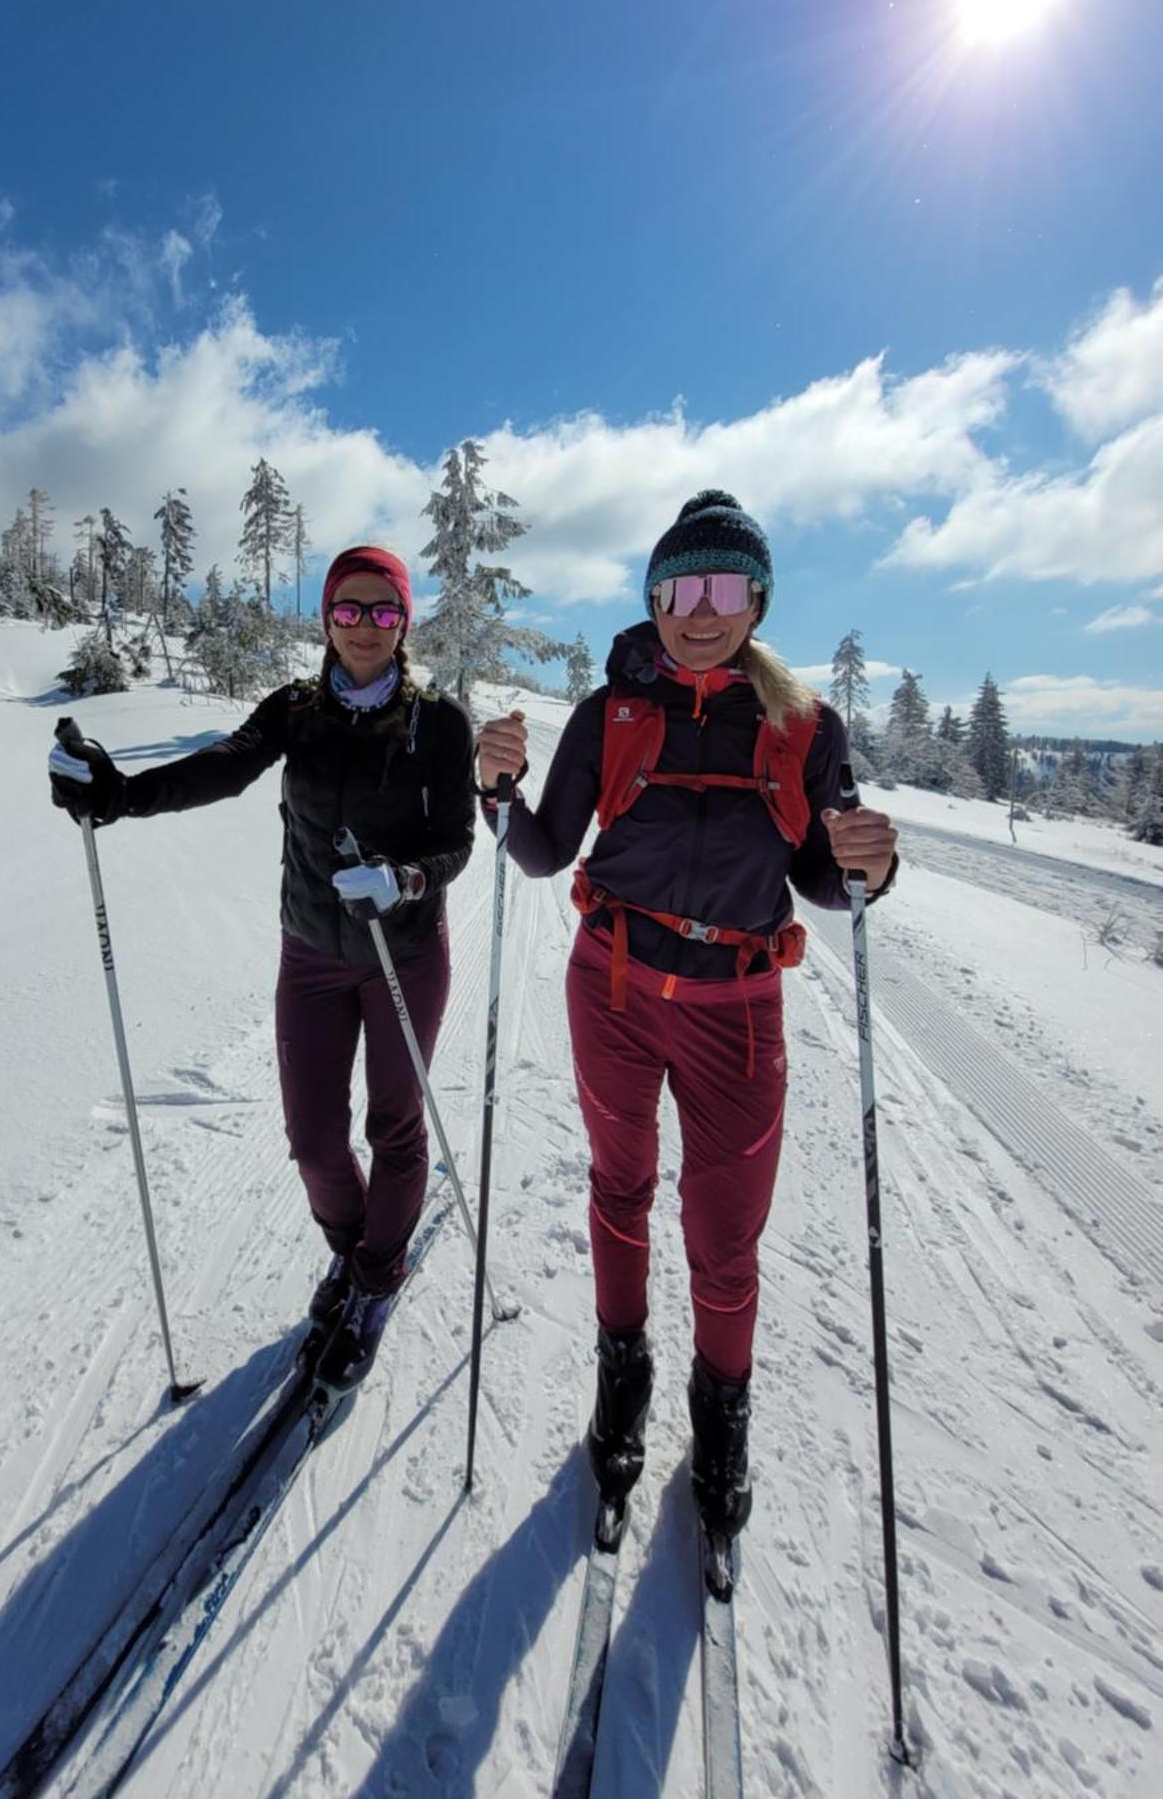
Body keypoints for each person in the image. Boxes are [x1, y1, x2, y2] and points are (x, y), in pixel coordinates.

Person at [475, 490, 897, 1540]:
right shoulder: (610, 709)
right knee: (619, 1185)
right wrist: (498, 792)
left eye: (721, 587)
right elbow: (542, 851)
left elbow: (824, 879)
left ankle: (723, 1411)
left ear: (756, 599)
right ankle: (624, 1374)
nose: (697, 610)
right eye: (677, 587)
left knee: (724, 1231)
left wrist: (870, 869)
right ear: (653, 596)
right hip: (611, 989)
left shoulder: (804, 723)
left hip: (737, 1013)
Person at [49, 546, 475, 1393]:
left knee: (395, 1129)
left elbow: (458, 840)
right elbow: (222, 766)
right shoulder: (295, 709)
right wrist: (119, 795)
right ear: (325, 617)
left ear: (404, 623)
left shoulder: (440, 723)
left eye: (382, 612)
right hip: (312, 953)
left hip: (405, 952)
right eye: (348, 610)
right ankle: (355, 1255)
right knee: (314, 1140)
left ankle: (376, 1280)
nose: (364, 627)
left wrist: (406, 881)